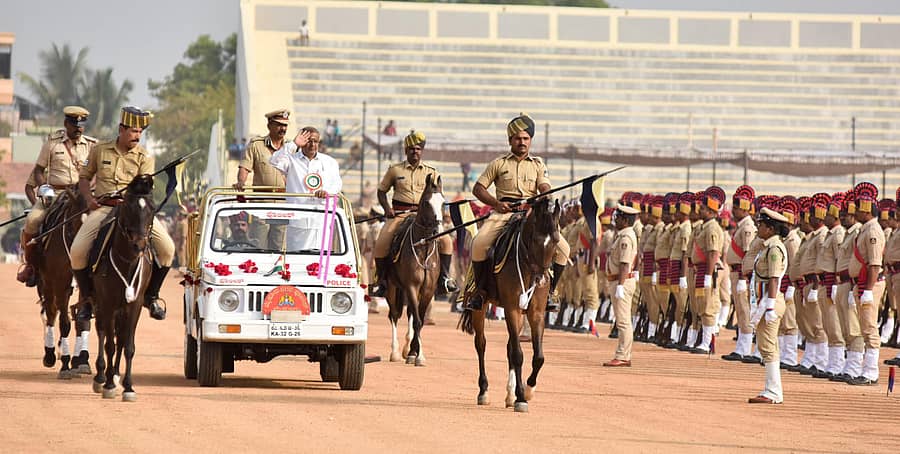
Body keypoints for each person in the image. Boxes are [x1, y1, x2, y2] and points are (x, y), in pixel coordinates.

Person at [71, 106, 175, 321]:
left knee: (167, 249)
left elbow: (145, 189)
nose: (138, 136)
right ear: (121, 129)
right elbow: (84, 178)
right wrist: (89, 200)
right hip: (105, 208)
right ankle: (88, 299)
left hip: (133, 213)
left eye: (140, 132)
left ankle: (151, 296)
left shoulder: (145, 157)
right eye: (134, 131)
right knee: (78, 251)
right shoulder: (100, 150)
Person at [464, 114, 569, 311]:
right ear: (510, 140)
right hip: (503, 214)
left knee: (564, 249)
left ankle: (550, 292)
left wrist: (543, 195)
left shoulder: (538, 164)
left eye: (526, 138)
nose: (522, 142)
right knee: (479, 244)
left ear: (530, 140)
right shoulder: (499, 163)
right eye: (518, 138)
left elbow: (545, 186)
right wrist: (496, 203)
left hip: (530, 215)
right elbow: (478, 189)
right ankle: (480, 291)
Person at [369, 130, 459, 297]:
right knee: (382, 242)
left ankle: (445, 278)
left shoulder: (432, 172)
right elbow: (382, 192)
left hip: (425, 217)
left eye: (418, 149)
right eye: (411, 149)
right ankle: (381, 281)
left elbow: (438, 196)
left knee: (446, 241)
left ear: (422, 151)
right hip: (401, 214)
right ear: (406, 150)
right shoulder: (394, 170)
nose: (414, 152)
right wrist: (387, 209)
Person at [17, 106, 97, 285]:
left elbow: (98, 174)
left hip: (82, 195)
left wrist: (90, 190)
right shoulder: (53, 143)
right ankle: (31, 266)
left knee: (105, 222)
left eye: (81, 125)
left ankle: (100, 267)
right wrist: (44, 188)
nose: (78, 129)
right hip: (56, 194)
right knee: (32, 221)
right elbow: (38, 171)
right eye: (74, 125)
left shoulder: (93, 146)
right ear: (66, 124)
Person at [268, 126, 341, 251]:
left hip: (321, 220)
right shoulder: (292, 160)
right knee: (297, 260)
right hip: (298, 221)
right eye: (308, 140)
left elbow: (337, 184)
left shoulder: (330, 162)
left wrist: (326, 192)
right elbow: (274, 161)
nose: (312, 144)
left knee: (319, 262)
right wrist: (293, 144)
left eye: (315, 141)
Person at [748, 207, 790, 404]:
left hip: (770, 300)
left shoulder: (774, 249)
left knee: (768, 345)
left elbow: (773, 278)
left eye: (761, 225)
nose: (758, 228)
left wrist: (770, 306)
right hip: (766, 299)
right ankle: (771, 389)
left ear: (771, 228)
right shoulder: (768, 245)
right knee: (767, 344)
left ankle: (773, 391)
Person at [847, 182, 885, 385]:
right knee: (864, 326)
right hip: (860, 283)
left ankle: (871, 372)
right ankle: (865, 369)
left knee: (870, 327)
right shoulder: (865, 229)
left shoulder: (873, 231)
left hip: (869, 284)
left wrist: (868, 291)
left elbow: (874, 263)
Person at [235, 109, 290, 248]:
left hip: (283, 206)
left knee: (279, 248)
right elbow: (244, 167)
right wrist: (241, 182)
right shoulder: (256, 145)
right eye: (279, 125)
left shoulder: (291, 148)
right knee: (259, 246)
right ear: (269, 125)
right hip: (261, 205)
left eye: (285, 125)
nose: (282, 129)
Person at [722, 185, 757, 361]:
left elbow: (748, 254)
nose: (733, 211)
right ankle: (741, 346)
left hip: (742, 274)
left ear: (744, 208)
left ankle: (744, 348)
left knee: (745, 311)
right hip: (736, 273)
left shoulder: (747, 227)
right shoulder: (741, 226)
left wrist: (744, 277)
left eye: (736, 208)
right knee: (741, 312)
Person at [603, 204, 640, 367]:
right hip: (618, 280)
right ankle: (624, 354)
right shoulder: (623, 235)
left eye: (617, 217)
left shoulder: (625, 237)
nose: (615, 220)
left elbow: (625, 264)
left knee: (623, 321)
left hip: (621, 281)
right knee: (622, 320)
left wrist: (620, 285)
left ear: (625, 220)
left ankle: (623, 355)